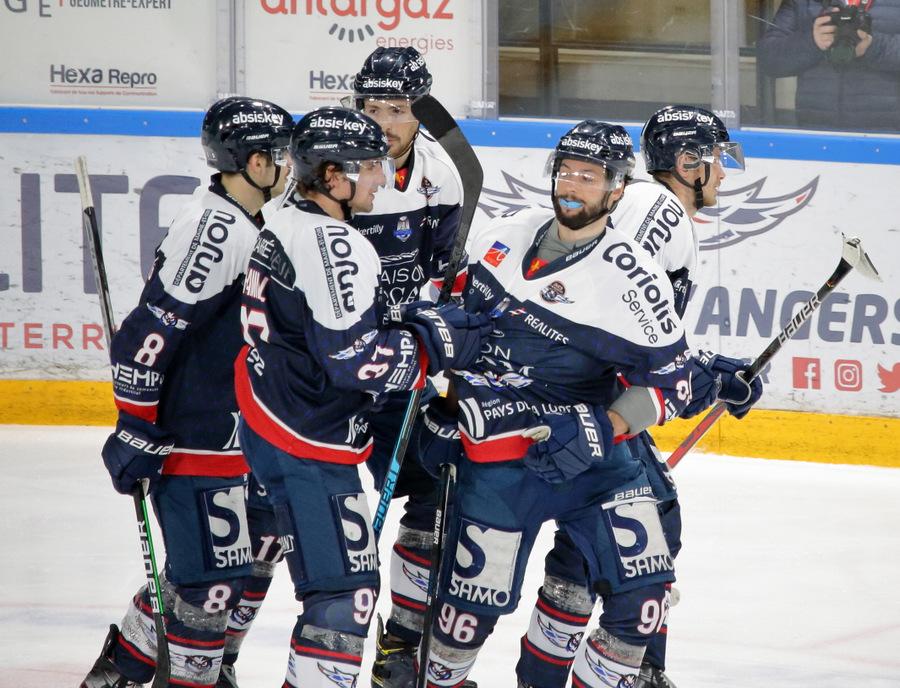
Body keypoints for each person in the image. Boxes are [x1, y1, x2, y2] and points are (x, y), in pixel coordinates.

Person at [412, 121, 759, 688]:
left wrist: (609, 425)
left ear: (617, 188)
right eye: (566, 172)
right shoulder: (507, 233)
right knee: (463, 621)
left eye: (589, 177)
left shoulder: (635, 279)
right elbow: (443, 319)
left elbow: (670, 383)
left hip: (594, 459)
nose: (572, 186)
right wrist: (439, 391)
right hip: (498, 453)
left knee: (644, 596)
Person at [218, 47, 470, 688]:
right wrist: (424, 345)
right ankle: (215, 651)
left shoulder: (440, 177)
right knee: (272, 525)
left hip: (378, 363)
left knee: (434, 494)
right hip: (331, 371)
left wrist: (425, 333)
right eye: (370, 107)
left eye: (396, 109)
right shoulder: (327, 176)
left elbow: (442, 273)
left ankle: (400, 648)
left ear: (419, 113)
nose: (382, 121)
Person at [513, 105, 764, 688]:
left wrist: (701, 371)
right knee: (645, 530)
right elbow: (612, 302)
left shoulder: (648, 206)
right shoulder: (661, 209)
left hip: (582, 394)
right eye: (715, 159)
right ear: (687, 162)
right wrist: (697, 375)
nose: (722, 172)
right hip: (589, 401)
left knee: (594, 549)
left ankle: (564, 673)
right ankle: (632, 671)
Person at [80, 96, 293, 688]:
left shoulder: (253, 222)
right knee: (208, 579)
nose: (289, 166)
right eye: (280, 155)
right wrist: (136, 425)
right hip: (195, 435)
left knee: (239, 563)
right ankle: (145, 669)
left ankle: (147, 665)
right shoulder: (215, 229)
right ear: (254, 163)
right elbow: (147, 336)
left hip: (241, 433)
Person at [756, 0, 900, 131]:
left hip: (887, 132)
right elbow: (769, 59)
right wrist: (811, 42)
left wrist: (872, 47)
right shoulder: (801, 3)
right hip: (815, 130)